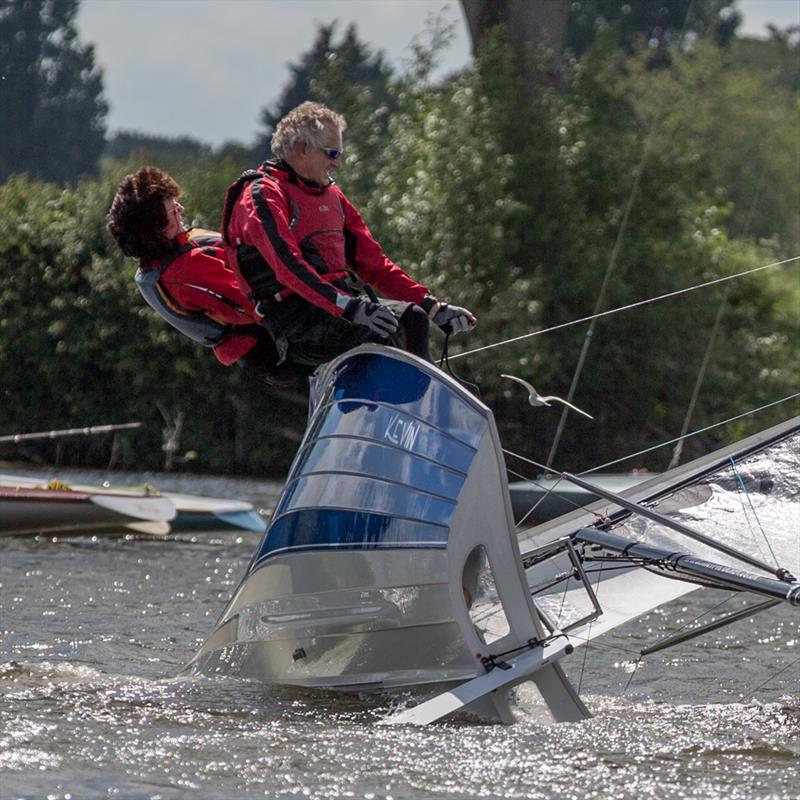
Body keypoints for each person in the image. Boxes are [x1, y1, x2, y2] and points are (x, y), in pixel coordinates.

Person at [221, 101, 476, 368]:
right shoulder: (262, 196)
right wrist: (352, 309)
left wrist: (433, 308)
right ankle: (417, 402)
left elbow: (374, 264)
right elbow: (288, 267)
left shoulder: (333, 197)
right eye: (331, 153)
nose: (338, 163)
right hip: (296, 321)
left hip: (340, 310)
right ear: (301, 150)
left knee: (413, 318)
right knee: (397, 326)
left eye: (340, 153)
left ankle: (412, 403)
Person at [106, 166, 304, 388]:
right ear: (158, 230)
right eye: (173, 211)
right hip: (273, 350)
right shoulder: (185, 270)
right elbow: (249, 304)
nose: (181, 209)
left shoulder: (177, 247)